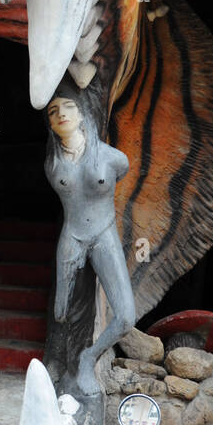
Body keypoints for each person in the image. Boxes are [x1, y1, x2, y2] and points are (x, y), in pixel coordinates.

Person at [45, 84, 135, 395]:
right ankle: (62, 364)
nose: (61, 114)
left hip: (103, 232)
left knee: (125, 317)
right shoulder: (53, 165)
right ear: (51, 124)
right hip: (71, 235)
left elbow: (121, 173)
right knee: (61, 309)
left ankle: (89, 358)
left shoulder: (113, 158)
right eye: (53, 112)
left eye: (67, 107)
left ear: (83, 115)